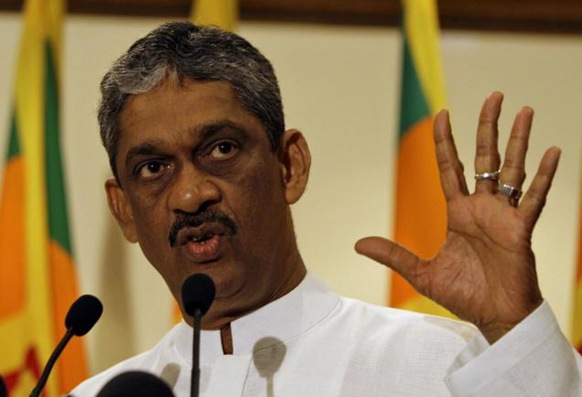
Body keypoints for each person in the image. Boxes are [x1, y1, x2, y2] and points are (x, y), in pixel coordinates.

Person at [70, 21, 582, 396]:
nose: (189, 195)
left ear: (289, 166)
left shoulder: (453, 363)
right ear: (125, 211)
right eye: (153, 169)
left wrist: (515, 331)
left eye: (221, 149)